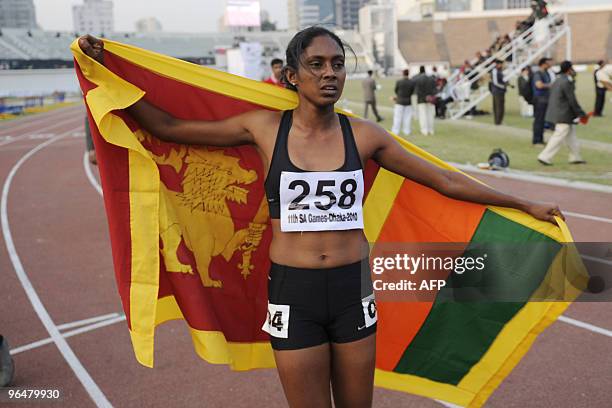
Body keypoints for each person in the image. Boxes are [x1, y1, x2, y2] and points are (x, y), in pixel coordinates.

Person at [79, 27, 565, 408]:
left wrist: (523, 204)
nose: (329, 73)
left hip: (354, 290)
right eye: (316, 64)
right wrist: (109, 72)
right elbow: (168, 127)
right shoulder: (264, 128)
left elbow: (446, 181)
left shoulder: (366, 136)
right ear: (292, 75)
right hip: (295, 293)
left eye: (336, 64)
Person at [538, 61, 587, 166]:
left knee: (571, 136)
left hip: (558, 111)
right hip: (563, 113)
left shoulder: (557, 79)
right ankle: (545, 156)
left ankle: (575, 157)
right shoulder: (566, 82)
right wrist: (581, 113)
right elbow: (571, 99)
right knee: (559, 135)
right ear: (569, 69)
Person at [532, 58, 552, 145]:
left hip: (545, 99)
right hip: (539, 99)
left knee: (543, 121)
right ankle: (536, 140)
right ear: (543, 64)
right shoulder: (538, 74)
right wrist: (549, 85)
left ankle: (540, 139)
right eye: (548, 63)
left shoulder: (546, 73)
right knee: (539, 120)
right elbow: (538, 85)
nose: (549, 65)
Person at [413, 66, 437, 135]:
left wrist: (424, 97)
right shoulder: (431, 78)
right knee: (430, 115)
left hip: (421, 100)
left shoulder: (418, 79)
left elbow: (417, 90)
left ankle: (424, 130)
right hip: (430, 99)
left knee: (423, 115)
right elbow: (434, 89)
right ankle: (431, 130)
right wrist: (430, 96)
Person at [391, 69, 414, 136]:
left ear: (403, 74)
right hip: (408, 102)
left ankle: (395, 131)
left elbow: (396, 90)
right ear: (408, 74)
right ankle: (407, 131)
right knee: (407, 117)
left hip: (399, 101)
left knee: (397, 117)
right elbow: (412, 91)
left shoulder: (399, 81)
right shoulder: (411, 82)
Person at [490, 60, 507, 125]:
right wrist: (503, 86)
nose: (501, 65)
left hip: (500, 91)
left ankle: (500, 120)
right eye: (501, 64)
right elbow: (495, 82)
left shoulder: (500, 71)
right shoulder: (495, 71)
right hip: (497, 91)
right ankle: (497, 121)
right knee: (498, 106)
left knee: (501, 106)